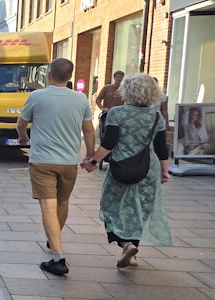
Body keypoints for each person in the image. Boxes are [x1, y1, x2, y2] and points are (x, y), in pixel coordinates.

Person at [81, 73, 172, 268]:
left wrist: (93, 161)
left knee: (111, 208)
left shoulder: (116, 113)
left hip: (121, 168)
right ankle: (131, 253)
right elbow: (162, 147)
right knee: (139, 210)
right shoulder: (156, 117)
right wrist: (165, 171)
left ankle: (126, 244)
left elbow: (109, 144)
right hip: (148, 170)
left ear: (127, 91)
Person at [16, 58, 95, 276]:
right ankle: (54, 239)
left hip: (42, 160)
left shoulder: (37, 96)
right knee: (62, 202)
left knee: (48, 206)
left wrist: (23, 137)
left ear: (49, 74)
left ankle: (58, 256)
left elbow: (21, 123)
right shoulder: (81, 99)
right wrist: (89, 155)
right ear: (69, 77)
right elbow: (88, 130)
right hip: (69, 161)